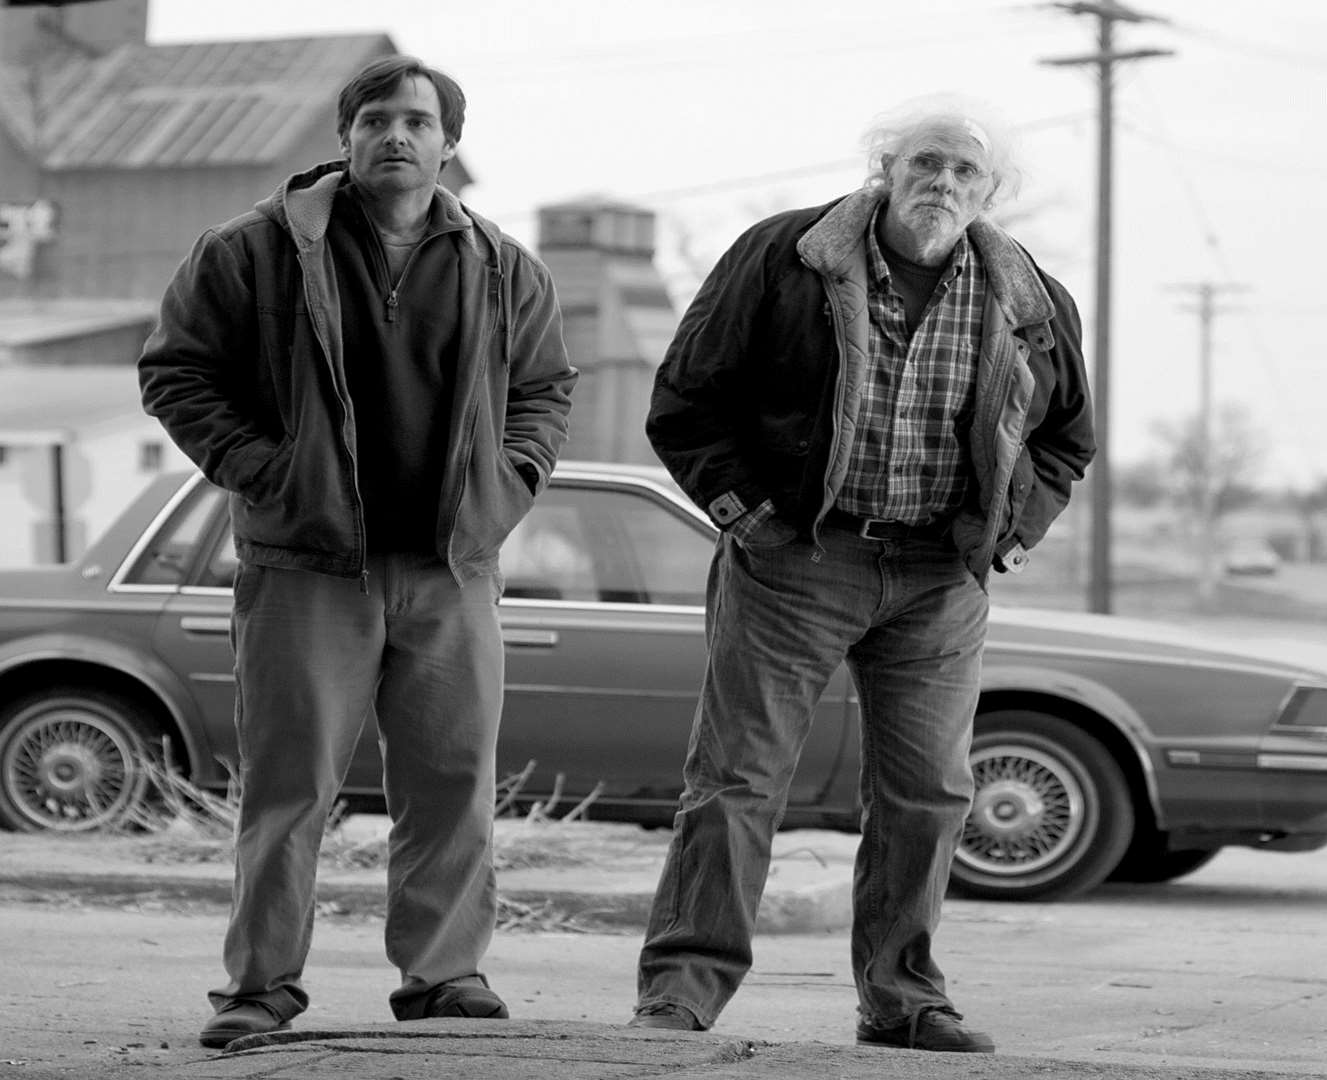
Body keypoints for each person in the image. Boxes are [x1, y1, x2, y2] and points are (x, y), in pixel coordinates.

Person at [633, 98, 1095, 1054]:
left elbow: (1065, 440)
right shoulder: (787, 256)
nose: (944, 184)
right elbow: (685, 401)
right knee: (736, 782)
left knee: (929, 791)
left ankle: (903, 998)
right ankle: (681, 991)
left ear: (991, 193)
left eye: (967, 173)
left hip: (941, 573)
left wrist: (1009, 536)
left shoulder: (1032, 295)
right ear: (886, 167)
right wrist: (747, 518)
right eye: (926, 163)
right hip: (799, 558)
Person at [136, 54, 576, 1049]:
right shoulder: (253, 250)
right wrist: (265, 470)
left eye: (418, 120)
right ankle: (259, 988)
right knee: (290, 785)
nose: (397, 135)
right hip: (306, 566)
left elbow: (547, 387)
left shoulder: (504, 267)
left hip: (449, 568)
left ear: (449, 142)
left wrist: (507, 486)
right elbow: (175, 368)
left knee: (452, 781)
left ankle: (444, 977)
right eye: (375, 118)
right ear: (345, 137)